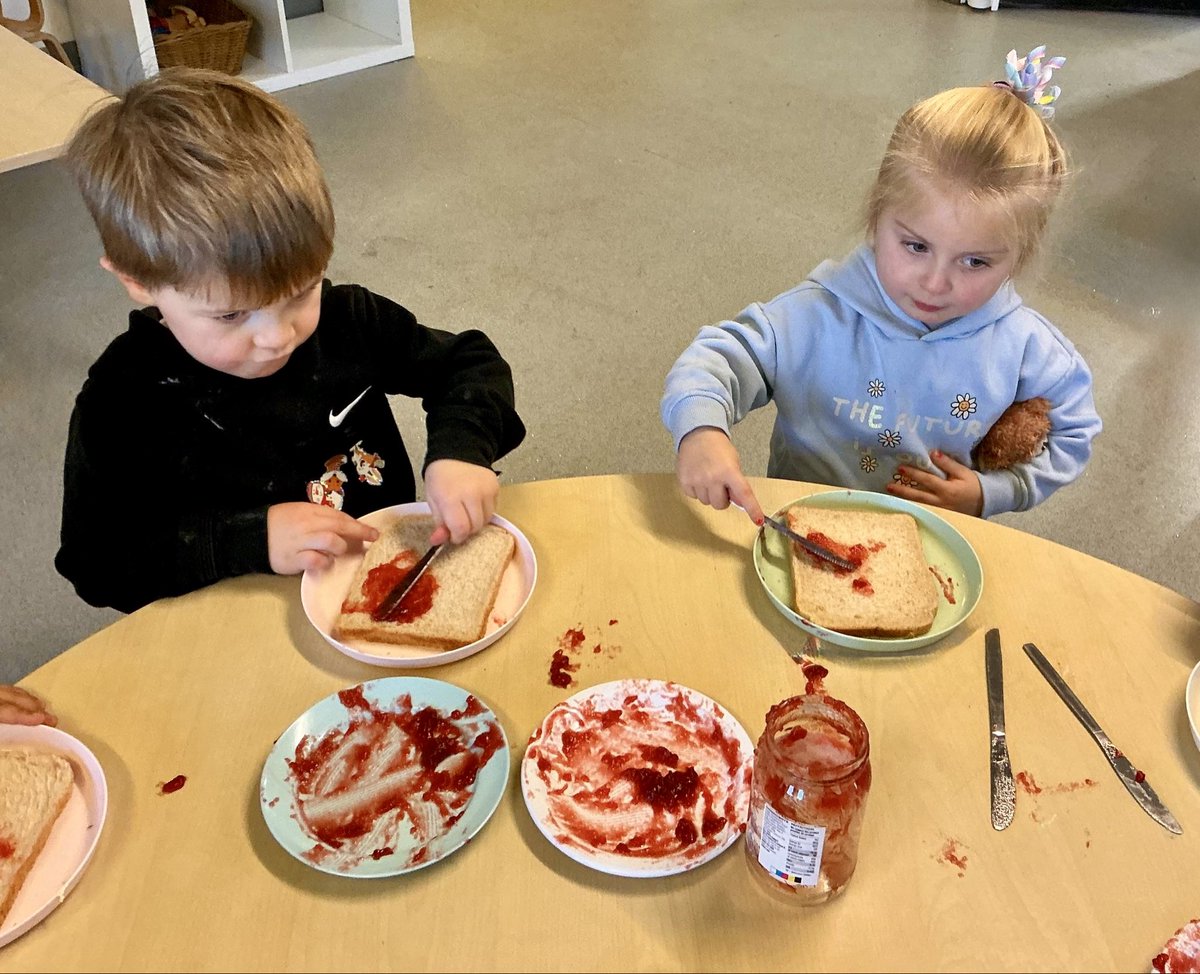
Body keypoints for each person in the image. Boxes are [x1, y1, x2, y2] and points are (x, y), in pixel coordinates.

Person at [56, 68, 526, 613]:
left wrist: (461, 452)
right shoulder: (124, 399)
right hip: (244, 619)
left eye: (301, 292)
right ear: (137, 282)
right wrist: (248, 540)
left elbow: (467, 364)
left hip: (377, 584)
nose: (278, 338)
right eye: (231, 315)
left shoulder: (349, 319)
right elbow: (96, 562)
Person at [661, 50, 1100, 525]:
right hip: (803, 530)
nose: (936, 283)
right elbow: (717, 359)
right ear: (876, 219)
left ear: (1021, 257)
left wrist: (992, 492)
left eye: (975, 261)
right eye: (915, 246)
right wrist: (702, 431)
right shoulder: (818, 314)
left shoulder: (1027, 348)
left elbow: (1074, 431)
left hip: (928, 542)